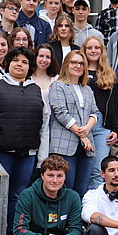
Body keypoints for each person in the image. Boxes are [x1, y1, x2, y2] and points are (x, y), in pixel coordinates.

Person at [0, 47, 49, 235]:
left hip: (27, 154)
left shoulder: (38, 91)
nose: (19, 64)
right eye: (15, 60)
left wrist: (42, 157)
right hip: (2, 151)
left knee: (19, 195)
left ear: (29, 67)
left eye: (24, 62)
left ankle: (12, 234)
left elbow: (44, 125)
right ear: (8, 63)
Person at [49, 51, 98, 198]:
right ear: (66, 64)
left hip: (86, 147)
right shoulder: (58, 86)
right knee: (66, 189)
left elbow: (94, 112)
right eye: (74, 62)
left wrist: (87, 128)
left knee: (82, 189)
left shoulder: (87, 89)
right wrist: (82, 135)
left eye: (81, 63)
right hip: (65, 145)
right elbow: (60, 112)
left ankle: (76, 221)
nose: (78, 66)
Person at [82, 36, 118, 189]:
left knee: (98, 171)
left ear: (102, 51)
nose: (93, 51)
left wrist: (116, 129)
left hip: (102, 126)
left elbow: (116, 104)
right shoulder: (78, 70)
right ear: (84, 50)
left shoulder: (109, 74)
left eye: (96, 48)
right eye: (89, 48)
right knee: (82, 170)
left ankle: (92, 209)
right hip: (81, 125)